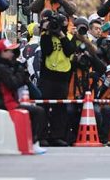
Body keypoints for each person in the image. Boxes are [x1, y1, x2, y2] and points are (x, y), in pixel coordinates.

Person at [0, 39, 47, 154]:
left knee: (36, 110)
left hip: (9, 103)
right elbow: (13, 84)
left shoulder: (0, 66)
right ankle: (33, 142)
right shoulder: (1, 68)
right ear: (2, 52)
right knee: (38, 112)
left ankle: (31, 142)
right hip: (5, 104)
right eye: (9, 51)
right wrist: (21, 72)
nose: (12, 53)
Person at [38, 10, 75, 147]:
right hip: (48, 76)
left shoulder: (69, 37)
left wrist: (61, 35)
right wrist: (47, 31)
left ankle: (57, 136)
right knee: (44, 106)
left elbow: (70, 50)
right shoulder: (46, 36)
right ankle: (42, 136)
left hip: (63, 77)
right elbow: (46, 50)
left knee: (60, 109)